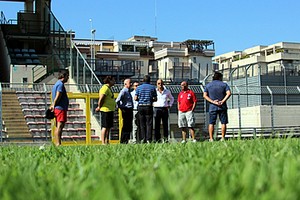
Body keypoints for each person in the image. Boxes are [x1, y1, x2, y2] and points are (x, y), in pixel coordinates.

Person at [203, 71, 231, 142]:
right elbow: (229, 93)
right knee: (223, 122)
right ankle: (222, 138)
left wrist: (212, 101)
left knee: (211, 123)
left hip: (212, 106)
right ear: (220, 77)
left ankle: (211, 138)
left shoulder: (208, 85)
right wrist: (222, 101)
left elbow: (205, 95)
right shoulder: (224, 85)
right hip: (222, 106)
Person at [135, 75, 157, 143]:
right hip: (148, 106)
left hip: (141, 106)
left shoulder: (138, 88)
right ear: (149, 80)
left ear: (143, 80)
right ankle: (148, 139)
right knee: (149, 123)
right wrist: (151, 100)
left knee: (142, 123)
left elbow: (135, 98)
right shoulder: (152, 88)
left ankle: (143, 138)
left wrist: (140, 99)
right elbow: (155, 98)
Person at [50, 69, 69, 146]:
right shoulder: (60, 84)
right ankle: (58, 143)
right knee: (60, 126)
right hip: (60, 108)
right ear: (64, 76)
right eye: (67, 76)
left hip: (58, 108)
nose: (68, 78)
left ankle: (57, 142)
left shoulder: (56, 84)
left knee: (58, 126)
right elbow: (58, 95)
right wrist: (54, 104)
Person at [95, 76, 116, 145]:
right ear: (109, 81)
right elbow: (101, 98)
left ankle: (107, 141)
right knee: (105, 126)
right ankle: (103, 142)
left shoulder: (109, 88)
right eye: (113, 80)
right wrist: (99, 106)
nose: (114, 81)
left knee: (108, 127)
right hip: (105, 110)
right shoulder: (105, 88)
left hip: (110, 109)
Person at [116, 78, 133, 144]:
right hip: (126, 110)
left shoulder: (128, 91)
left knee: (128, 125)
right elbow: (118, 100)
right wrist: (121, 108)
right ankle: (123, 140)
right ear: (125, 84)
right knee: (126, 125)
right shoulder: (124, 91)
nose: (131, 84)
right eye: (130, 83)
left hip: (129, 109)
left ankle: (126, 140)